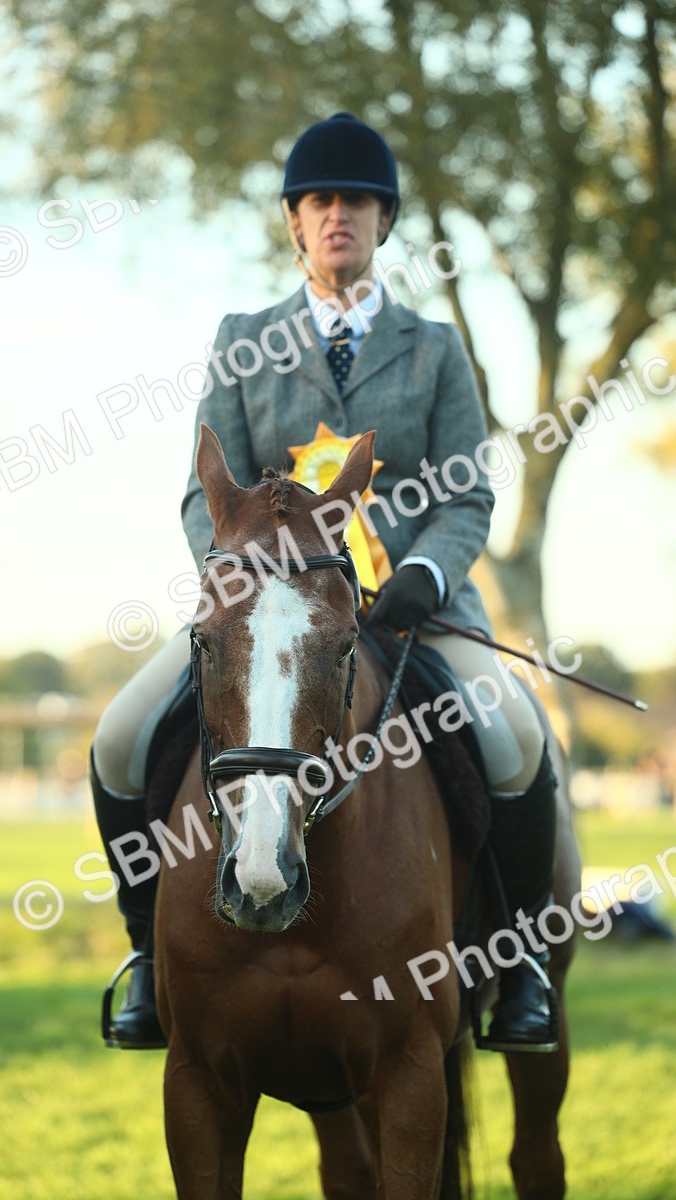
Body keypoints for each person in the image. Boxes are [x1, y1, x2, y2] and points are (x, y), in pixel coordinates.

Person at [91, 112, 558, 1053]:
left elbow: (467, 495)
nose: (338, 213)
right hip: (268, 623)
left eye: (356, 200)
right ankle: (148, 956)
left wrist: (428, 571)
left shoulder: (433, 350)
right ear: (296, 224)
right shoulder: (242, 339)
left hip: (418, 616)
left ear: (384, 222)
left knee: (514, 735)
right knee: (118, 738)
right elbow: (203, 496)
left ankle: (517, 969)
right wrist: (243, 585)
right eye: (320, 201)